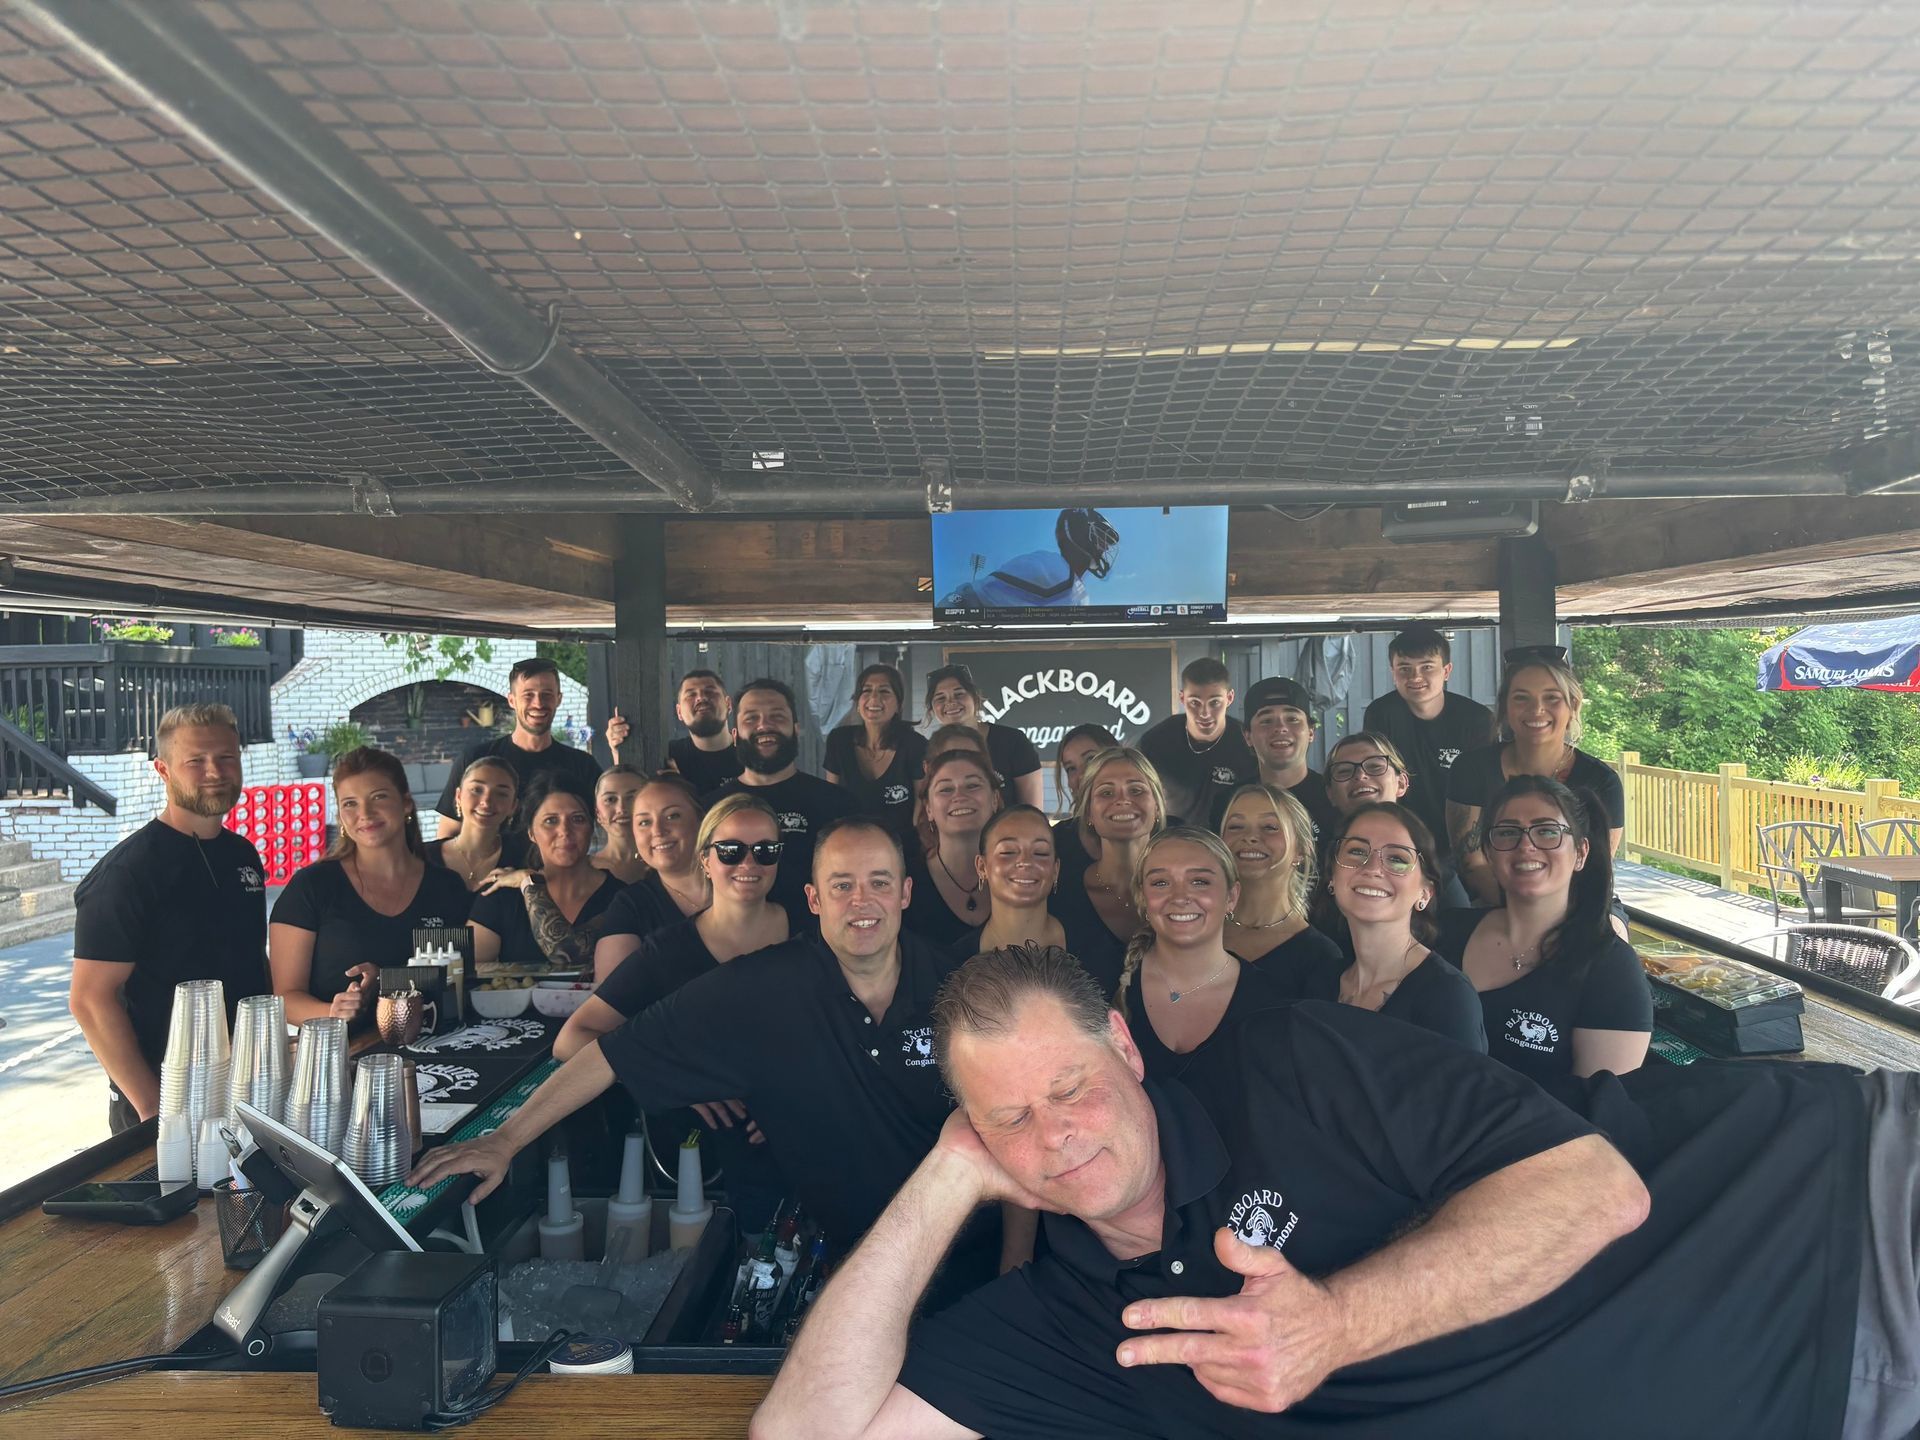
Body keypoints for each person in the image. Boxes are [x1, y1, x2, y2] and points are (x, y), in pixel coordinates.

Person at [764, 938, 1920, 1440]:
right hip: (1814, 1403)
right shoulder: (1076, 1325)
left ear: (1123, 1044)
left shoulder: (1292, 1063)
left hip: (1843, 1207)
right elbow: (809, 1430)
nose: (1056, 1137)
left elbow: (1594, 1193)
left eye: (1068, 1085)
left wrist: (1334, 1325)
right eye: (1008, 1116)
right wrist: (948, 1172)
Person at [410, 818, 1011, 1303]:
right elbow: (610, 1053)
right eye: (842, 884)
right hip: (842, 1266)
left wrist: (1018, 1260)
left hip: (968, 1254)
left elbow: (1020, 1122)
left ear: (905, 893)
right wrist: (505, 1140)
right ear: (813, 897)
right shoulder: (757, 988)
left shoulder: (961, 985)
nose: (863, 901)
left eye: (880, 882)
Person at [70, 703, 268, 1132]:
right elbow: (90, 999)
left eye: (226, 757)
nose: (214, 770)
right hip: (166, 1107)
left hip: (245, 1092)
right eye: (195, 761)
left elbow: (251, 962)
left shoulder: (242, 854)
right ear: (164, 770)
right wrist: (152, 1109)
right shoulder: (128, 873)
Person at [1437, 777, 1652, 1081]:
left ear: (1580, 853)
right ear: (1489, 853)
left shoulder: (1610, 967)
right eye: (1508, 833)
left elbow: (1601, 1107)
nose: (1526, 846)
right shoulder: (1446, 933)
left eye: (1547, 831)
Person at [559, 793, 791, 1059]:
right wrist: (671, 1075)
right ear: (705, 860)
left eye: (765, 851)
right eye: (730, 851)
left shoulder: (813, 930)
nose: (749, 863)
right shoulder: (669, 950)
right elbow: (573, 1036)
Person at [270, 748, 470, 1029]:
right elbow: (285, 998)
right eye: (350, 803)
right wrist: (333, 1011)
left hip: (439, 1048)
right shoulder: (311, 887)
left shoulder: (447, 887)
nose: (364, 813)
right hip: (346, 1058)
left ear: (406, 803)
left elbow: (461, 980)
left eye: (379, 797)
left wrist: (386, 981)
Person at [1110, 829, 1295, 1093]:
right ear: (1143, 897)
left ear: (1231, 897)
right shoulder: (1106, 982)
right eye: (1161, 883)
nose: (1180, 897)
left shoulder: (1271, 1002)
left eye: (1199, 881)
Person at [1295, 803, 1486, 1050]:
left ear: (1425, 893)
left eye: (1397, 858)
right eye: (1356, 851)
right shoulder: (1320, 981)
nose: (1373, 868)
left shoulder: (1448, 997)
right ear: (1332, 878)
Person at [1447, 650, 1625, 907]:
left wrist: (1551, 919)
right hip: (1493, 902)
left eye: (1552, 698)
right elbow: (1472, 862)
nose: (1537, 709)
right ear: (1505, 707)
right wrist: (1523, 913)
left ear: (1573, 706)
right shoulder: (1471, 770)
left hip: (1579, 905)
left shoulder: (1601, 781)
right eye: (1521, 698)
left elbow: (1595, 868)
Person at [703, 677, 860, 929]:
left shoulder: (838, 804)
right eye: (751, 719)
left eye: (777, 717)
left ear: (796, 728)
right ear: (735, 735)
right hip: (732, 945)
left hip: (818, 946)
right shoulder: (710, 809)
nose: (764, 726)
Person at [1362, 626, 1492, 896]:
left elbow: (1485, 791)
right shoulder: (1381, 714)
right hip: (1404, 841)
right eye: (1405, 668)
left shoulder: (1475, 719)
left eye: (1427, 667)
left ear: (1446, 671)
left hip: (1463, 843)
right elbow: (1377, 779)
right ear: (1393, 673)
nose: (1415, 677)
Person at [434, 658, 605, 843]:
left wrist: (617, 750)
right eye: (528, 695)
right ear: (512, 700)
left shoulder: (582, 765)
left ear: (559, 699)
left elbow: (614, 820)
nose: (538, 703)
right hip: (490, 871)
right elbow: (447, 834)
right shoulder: (476, 759)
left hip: (562, 871)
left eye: (546, 694)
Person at [469, 774, 626, 972]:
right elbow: (468, 971)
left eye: (577, 819)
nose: (564, 831)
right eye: (551, 821)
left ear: (591, 827)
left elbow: (568, 953)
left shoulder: (622, 897)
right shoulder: (501, 895)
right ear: (531, 833)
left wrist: (530, 884)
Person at [1050, 747, 1167, 990]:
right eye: (1106, 792)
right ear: (1089, 812)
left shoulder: (1186, 891)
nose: (1122, 800)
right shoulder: (1060, 895)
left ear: (1157, 806)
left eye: (1136, 790)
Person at [1215, 782, 1342, 974]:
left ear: (1301, 849)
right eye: (1236, 826)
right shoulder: (1196, 929)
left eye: (1270, 827)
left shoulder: (1321, 956)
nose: (1250, 837)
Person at [592, 773, 709, 980]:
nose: (658, 830)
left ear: (701, 820)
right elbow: (611, 1003)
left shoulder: (740, 884)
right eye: (644, 822)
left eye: (672, 816)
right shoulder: (630, 905)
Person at [1137, 658, 1257, 831]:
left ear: (1229, 698)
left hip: (1230, 842)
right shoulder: (1156, 741)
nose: (1205, 713)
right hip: (1171, 840)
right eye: (1195, 702)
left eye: (1215, 702)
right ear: (1182, 698)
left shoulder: (1248, 743)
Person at [903, 750, 1003, 947]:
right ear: (929, 808)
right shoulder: (906, 881)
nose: (959, 796)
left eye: (972, 785)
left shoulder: (1020, 874)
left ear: (994, 799)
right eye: (946, 789)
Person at [939, 506, 1121, 611]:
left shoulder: (1076, 587)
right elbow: (971, 597)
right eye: (1101, 537)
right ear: (1081, 531)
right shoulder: (1053, 568)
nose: (1105, 547)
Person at [1225, 676, 1335, 849]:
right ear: (1248, 736)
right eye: (1266, 721)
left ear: (1311, 732)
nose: (1280, 728)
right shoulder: (1228, 802)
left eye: (1292, 719)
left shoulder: (1334, 799)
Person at [824, 663, 929, 840]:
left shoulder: (915, 745)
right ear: (857, 703)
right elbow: (830, 801)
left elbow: (921, 810)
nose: (874, 698)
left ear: (899, 704)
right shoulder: (839, 741)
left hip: (901, 846)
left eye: (884, 691)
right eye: (866, 691)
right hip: (849, 843)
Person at [923, 663, 1045, 808]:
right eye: (940, 698)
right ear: (932, 709)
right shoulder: (927, 751)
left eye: (959, 694)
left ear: (975, 698)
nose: (951, 702)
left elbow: (1032, 811)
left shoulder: (1013, 742)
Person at [423, 756, 527, 891]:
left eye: (501, 793)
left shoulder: (526, 857)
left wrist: (528, 881)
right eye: (477, 790)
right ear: (458, 796)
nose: (486, 801)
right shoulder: (420, 858)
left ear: (513, 806)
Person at [1050, 722, 1120, 880]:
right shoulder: (1057, 840)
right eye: (1071, 768)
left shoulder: (1165, 832)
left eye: (1090, 759)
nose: (1081, 775)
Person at [666, 668, 743, 794]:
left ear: (728, 704)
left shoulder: (751, 754)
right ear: (679, 712)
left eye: (710, 692)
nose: (701, 698)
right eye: (691, 694)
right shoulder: (666, 754)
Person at [587, 764, 648, 884]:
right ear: (597, 812)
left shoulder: (668, 863)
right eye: (610, 799)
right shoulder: (583, 870)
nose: (621, 808)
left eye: (632, 797)